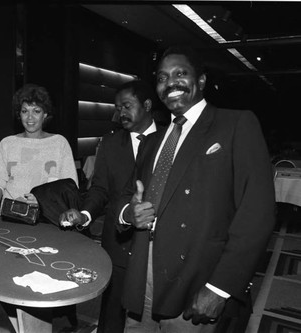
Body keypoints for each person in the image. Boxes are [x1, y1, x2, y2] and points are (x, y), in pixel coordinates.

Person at [117, 46, 275, 332]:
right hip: (144, 270)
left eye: (180, 74)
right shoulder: (153, 141)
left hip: (195, 277)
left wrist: (220, 287)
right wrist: (130, 213)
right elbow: (127, 195)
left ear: (200, 81)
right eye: (163, 78)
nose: (171, 83)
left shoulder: (236, 124)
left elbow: (257, 215)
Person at [59, 80, 158, 333]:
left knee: (152, 315)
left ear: (147, 105)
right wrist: (84, 213)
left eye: (127, 106)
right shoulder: (110, 142)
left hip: (155, 245)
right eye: (117, 108)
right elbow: (100, 189)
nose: (120, 113)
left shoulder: (170, 140)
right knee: (112, 312)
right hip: (118, 241)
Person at [0, 83, 78, 225]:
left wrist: (42, 200)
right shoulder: (7, 143)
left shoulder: (59, 143)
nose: (30, 117)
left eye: (36, 111)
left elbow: (70, 187)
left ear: (45, 114)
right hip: (11, 217)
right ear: (19, 114)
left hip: (48, 219)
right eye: (25, 111)